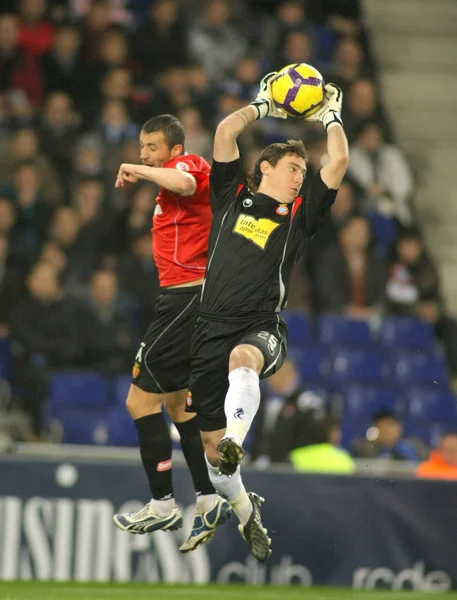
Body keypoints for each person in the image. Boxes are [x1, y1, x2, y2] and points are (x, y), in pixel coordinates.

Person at [185, 75, 349, 561]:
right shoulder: (232, 196)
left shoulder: (299, 213)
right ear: (265, 168)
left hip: (260, 325)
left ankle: (237, 440)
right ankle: (244, 509)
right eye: (295, 167)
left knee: (244, 359)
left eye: (303, 168)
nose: (302, 175)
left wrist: (331, 115)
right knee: (214, 458)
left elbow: (337, 161)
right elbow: (223, 135)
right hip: (207, 327)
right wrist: (261, 105)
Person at [112, 114, 232, 553]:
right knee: (178, 406)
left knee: (137, 401)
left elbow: (184, 184)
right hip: (182, 299)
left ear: (174, 150)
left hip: (187, 299)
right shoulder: (168, 181)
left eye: (151, 148)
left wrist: (138, 170)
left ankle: (163, 503)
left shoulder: (191, 167)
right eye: (141, 148)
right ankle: (206, 497)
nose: (144, 155)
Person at [352, 409, 429, 461]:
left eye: (391, 425)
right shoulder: (364, 448)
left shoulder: (415, 447)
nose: (388, 431)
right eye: (383, 427)